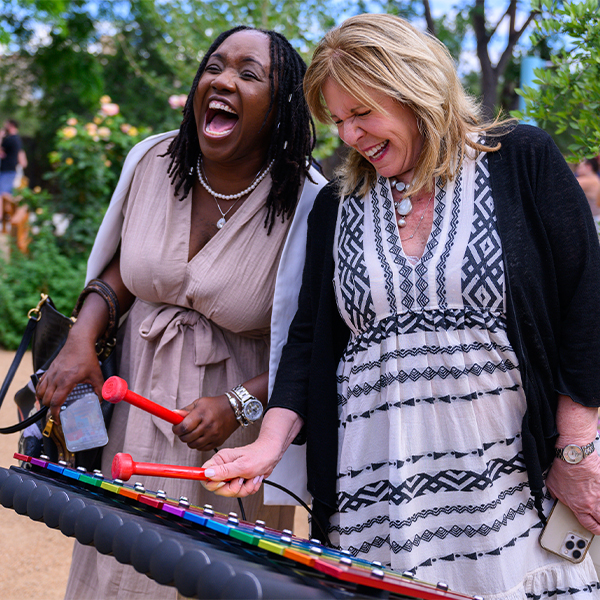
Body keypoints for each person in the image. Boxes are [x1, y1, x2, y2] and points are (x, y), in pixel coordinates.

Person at [201, 14, 600, 599]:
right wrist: (266, 444)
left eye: (362, 113)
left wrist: (577, 449)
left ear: (414, 89)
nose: (350, 135)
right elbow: (308, 342)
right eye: (337, 121)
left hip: (515, 483)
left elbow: (586, 304)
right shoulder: (336, 205)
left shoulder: (519, 159)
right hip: (380, 493)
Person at [35, 26, 326, 599]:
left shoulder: (309, 200)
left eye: (248, 74)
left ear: (282, 105)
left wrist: (239, 402)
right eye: (215, 67)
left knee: (222, 574)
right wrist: (80, 338)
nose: (222, 80)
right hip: (132, 401)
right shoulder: (155, 161)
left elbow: (316, 341)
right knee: (119, 565)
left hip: (233, 437)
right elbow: (123, 267)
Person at [0, 119, 27, 195]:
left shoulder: (11, 139)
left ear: (11, 125)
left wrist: (1, 137)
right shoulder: (17, 139)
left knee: (4, 193)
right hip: (10, 169)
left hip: (8, 170)